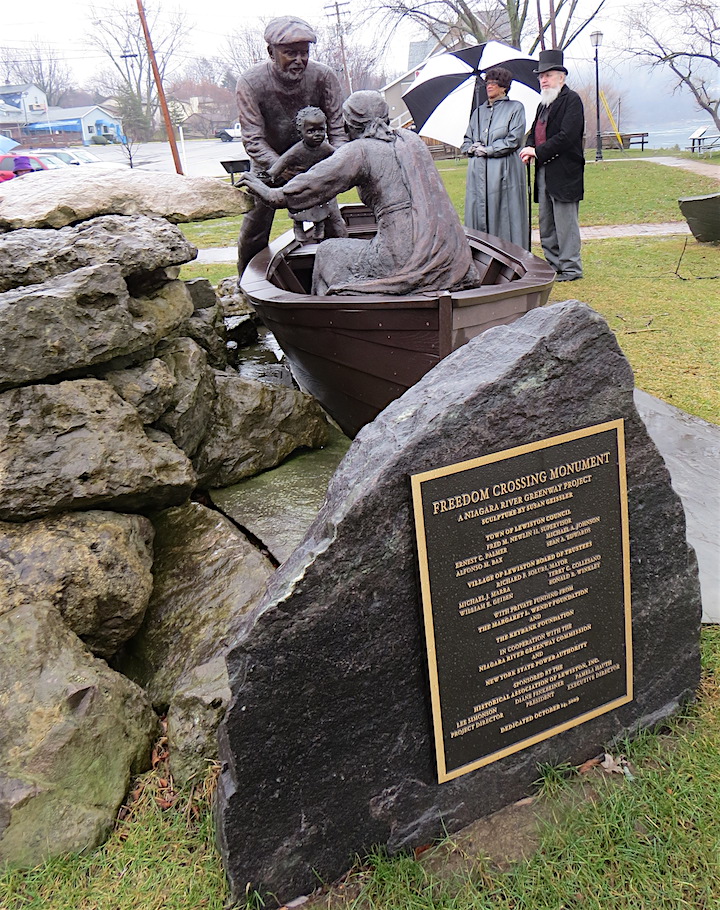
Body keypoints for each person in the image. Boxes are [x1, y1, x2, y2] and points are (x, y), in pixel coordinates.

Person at [239, 90, 478, 296]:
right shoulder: (411, 141)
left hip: (402, 255)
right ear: (387, 118)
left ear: (347, 125)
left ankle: (328, 323)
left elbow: (305, 188)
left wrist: (265, 189)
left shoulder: (359, 151)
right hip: (445, 249)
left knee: (327, 250)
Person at [235, 15, 346, 276]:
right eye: (290, 53)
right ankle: (247, 284)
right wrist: (280, 167)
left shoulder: (323, 77)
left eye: (304, 53)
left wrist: (337, 165)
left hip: (316, 163)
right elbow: (252, 138)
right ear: (271, 52)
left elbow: (338, 131)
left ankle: (342, 276)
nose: (299, 60)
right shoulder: (250, 83)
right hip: (269, 165)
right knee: (254, 228)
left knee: (334, 222)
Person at [519, 49, 585, 281]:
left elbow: (567, 137)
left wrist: (537, 151)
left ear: (561, 77)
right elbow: (534, 133)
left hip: (565, 172)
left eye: (548, 75)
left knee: (565, 224)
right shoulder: (542, 105)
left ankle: (571, 269)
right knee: (547, 222)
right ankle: (554, 265)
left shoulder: (572, 100)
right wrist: (528, 149)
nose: (544, 80)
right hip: (544, 171)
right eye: (541, 76)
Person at [460, 67, 528, 249]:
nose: (489, 86)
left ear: (504, 87)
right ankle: (481, 256)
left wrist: (489, 149)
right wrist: (472, 148)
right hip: (478, 175)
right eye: (488, 83)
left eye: (494, 83)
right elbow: (466, 141)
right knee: (478, 216)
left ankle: (509, 255)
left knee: (504, 214)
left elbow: (513, 140)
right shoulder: (478, 113)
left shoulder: (515, 108)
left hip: (503, 172)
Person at [267, 106, 348, 242]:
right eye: (311, 131)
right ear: (301, 132)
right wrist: (272, 174)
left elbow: (338, 158)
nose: (317, 134)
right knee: (298, 208)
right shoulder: (297, 150)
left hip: (318, 185)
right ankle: (298, 226)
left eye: (321, 130)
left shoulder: (325, 148)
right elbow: (282, 162)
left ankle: (319, 226)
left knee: (321, 206)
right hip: (300, 184)